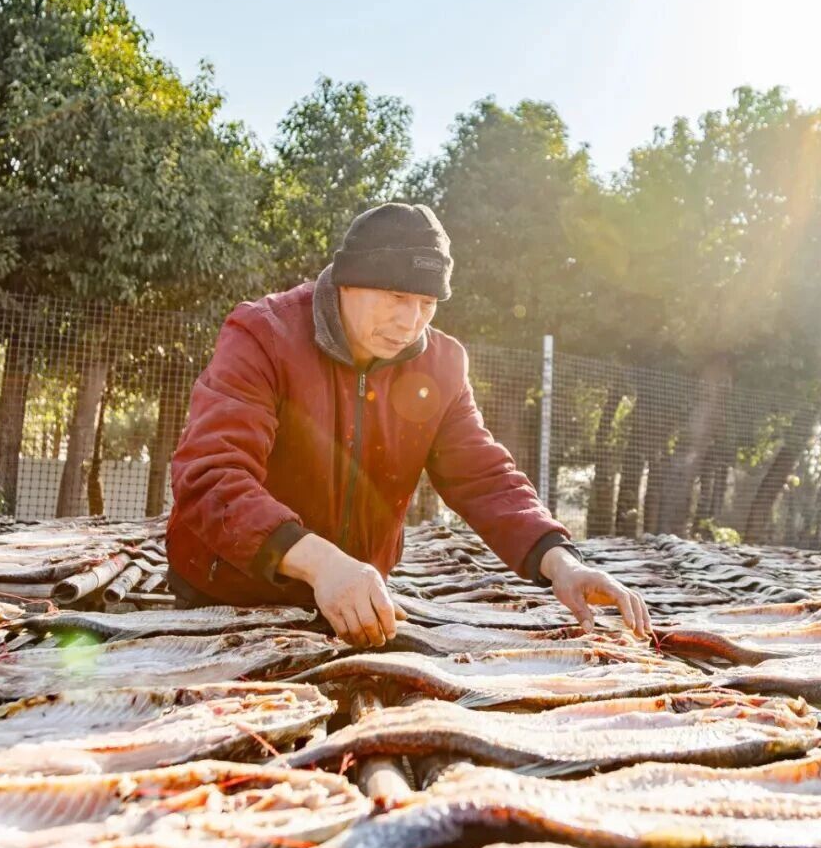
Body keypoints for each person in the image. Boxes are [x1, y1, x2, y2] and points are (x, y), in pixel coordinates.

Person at [166, 202, 652, 647]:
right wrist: (323, 563)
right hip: (230, 593)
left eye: (427, 303)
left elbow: (484, 477)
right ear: (347, 281)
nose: (410, 322)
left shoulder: (442, 365)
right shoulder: (262, 334)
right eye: (396, 296)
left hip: (357, 601)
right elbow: (211, 476)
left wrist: (561, 562)